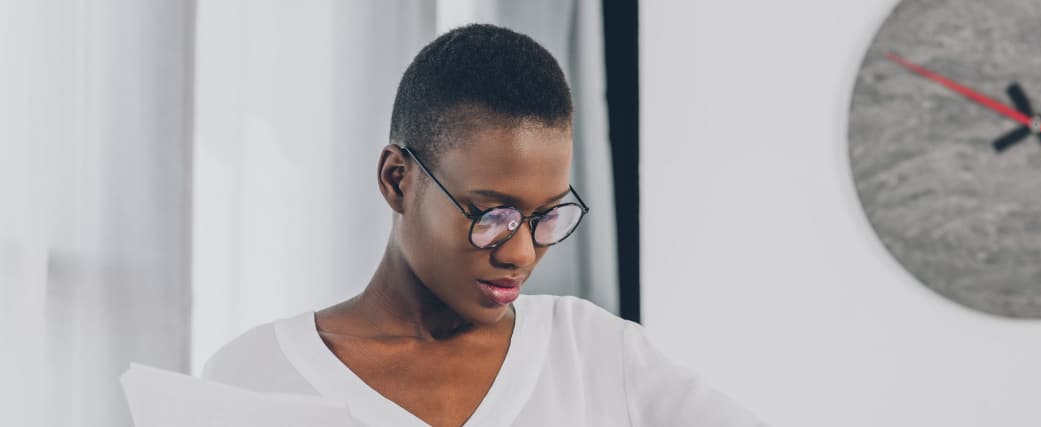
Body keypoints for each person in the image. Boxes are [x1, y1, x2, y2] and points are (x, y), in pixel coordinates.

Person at [202, 23, 765, 427]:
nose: (521, 254)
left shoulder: (595, 354)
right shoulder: (256, 375)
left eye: (545, 216)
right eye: (491, 214)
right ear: (398, 180)